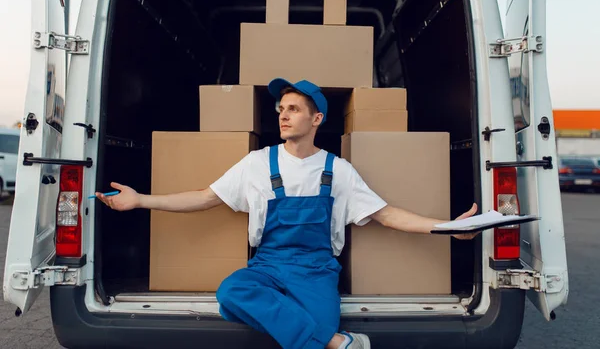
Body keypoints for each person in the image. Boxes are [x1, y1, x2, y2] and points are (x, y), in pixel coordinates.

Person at [96, 78, 479, 349]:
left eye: (293, 109)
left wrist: (446, 229)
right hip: (269, 264)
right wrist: (141, 200)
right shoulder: (257, 163)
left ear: (316, 120)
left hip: (316, 270)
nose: (283, 115)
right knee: (232, 292)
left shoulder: (338, 170)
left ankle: (323, 338)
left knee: (304, 327)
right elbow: (204, 197)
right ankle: (335, 343)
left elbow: (386, 214)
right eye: (281, 109)